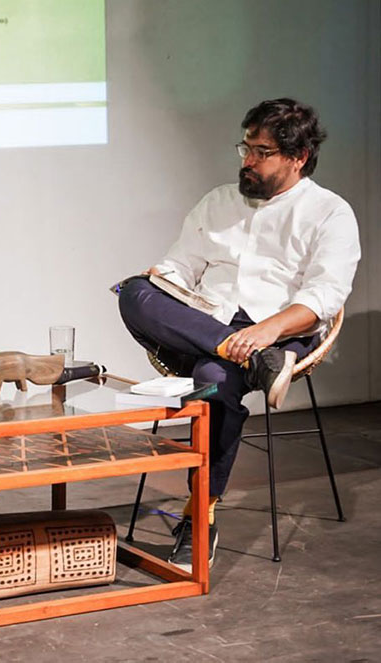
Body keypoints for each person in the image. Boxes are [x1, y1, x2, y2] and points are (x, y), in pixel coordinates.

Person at [117, 99, 360, 571]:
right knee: (134, 291)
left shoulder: (330, 213)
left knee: (213, 380)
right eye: (245, 148)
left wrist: (267, 330)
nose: (246, 161)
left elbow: (326, 294)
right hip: (210, 323)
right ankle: (243, 356)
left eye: (261, 152)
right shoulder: (218, 201)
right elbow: (181, 265)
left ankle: (200, 513)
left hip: (282, 329)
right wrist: (166, 279)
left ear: (299, 156)